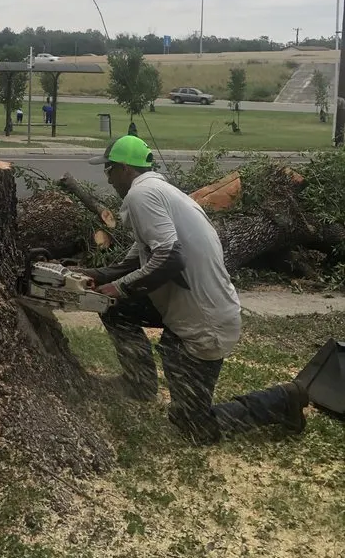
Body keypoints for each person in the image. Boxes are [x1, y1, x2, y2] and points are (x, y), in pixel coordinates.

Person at [84, 135, 308, 443]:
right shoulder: (159, 190)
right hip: (187, 307)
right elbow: (140, 255)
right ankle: (139, 383)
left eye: (109, 169)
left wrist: (118, 288)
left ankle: (283, 399)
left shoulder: (142, 194)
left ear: (124, 168)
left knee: (193, 426)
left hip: (204, 323)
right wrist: (97, 276)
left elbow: (170, 258)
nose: (108, 178)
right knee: (112, 306)